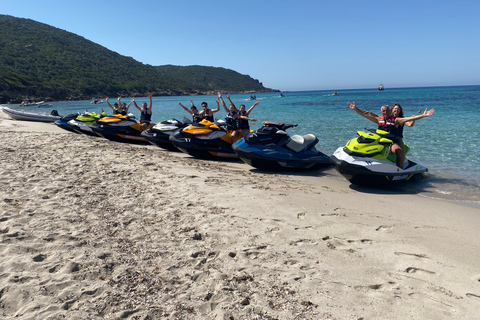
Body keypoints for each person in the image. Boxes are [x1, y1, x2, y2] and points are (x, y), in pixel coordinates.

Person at [348, 102, 435, 168]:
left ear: (390, 111)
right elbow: (365, 115)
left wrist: (423, 115)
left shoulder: (397, 120)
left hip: (394, 141)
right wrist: (356, 109)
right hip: (380, 141)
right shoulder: (379, 119)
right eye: (383, 111)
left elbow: (409, 119)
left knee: (400, 151)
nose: (385, 112)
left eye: (386, 111)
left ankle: (399, 170)